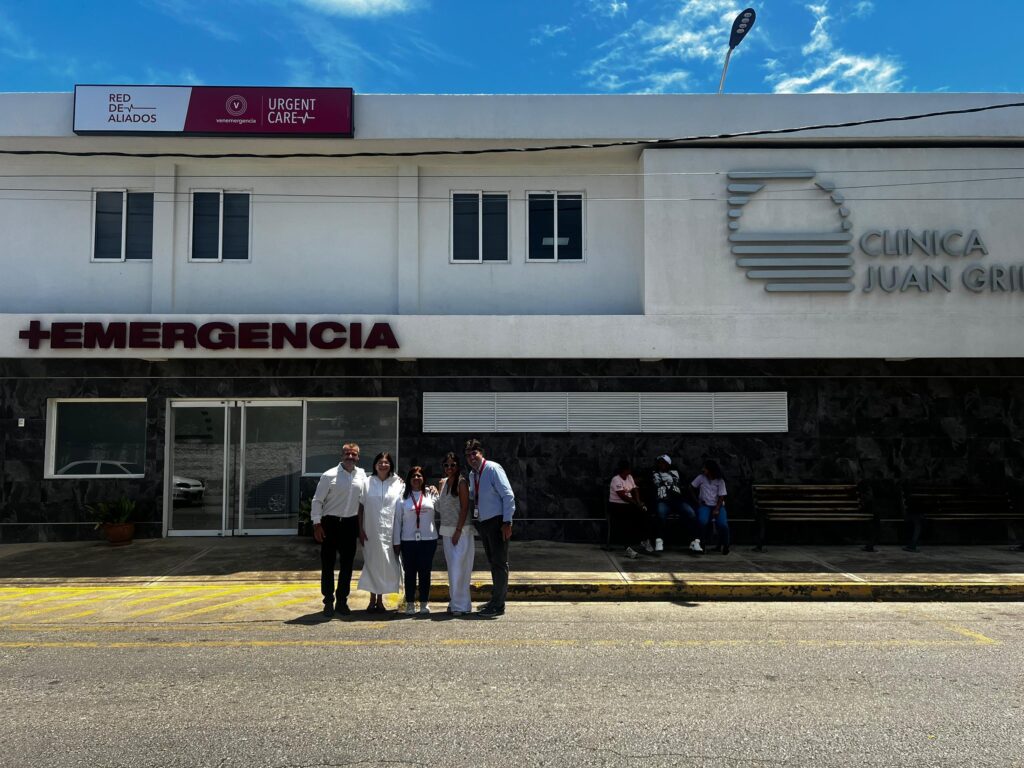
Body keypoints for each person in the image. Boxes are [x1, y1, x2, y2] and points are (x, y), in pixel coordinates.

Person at [311, 442, 367, 617]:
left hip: (350, 525)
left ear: (358, 457)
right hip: (330, 524)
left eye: (353, 454)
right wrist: (317, 524)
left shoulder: (362, 475)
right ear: (341, 456)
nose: (350, 457)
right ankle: (328, 601)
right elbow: (317, 501)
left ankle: (342, 601)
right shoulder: (329, 475)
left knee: (347, 565)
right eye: (347, 454)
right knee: (327, 564)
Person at [465, 438, 515, 617]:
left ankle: (498, 605)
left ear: (481, 453)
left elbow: (508, 495)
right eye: (468, 455)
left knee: (500, 563)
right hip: (484, 523)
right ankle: (495, 599)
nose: (472, 458)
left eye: (474, 453)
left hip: (498, 522)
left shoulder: (493, 469)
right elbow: (472, 495)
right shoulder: (473, 474)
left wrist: (507, 522)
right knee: (493, 562)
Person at [357, 451, 404, 613]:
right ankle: (372, 599)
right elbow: (360, 508)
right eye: (380, 462)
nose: (383, 465)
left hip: (390, 531)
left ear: (390, 465)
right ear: (375, 465)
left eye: (386, 462)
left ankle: (380, 599)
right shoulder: (367, 482)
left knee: (385, 565)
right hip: (370, 531)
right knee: (372, 564)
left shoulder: (398, 483)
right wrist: (360, 530)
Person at [394, 465, 439, 615]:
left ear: (424, 478)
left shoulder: (430, 493)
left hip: (428, 539)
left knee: (425, 572)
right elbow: (397, 521)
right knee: (410, 573)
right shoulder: (402, 497)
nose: (416, 478)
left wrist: (438, 489)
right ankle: (410, 604)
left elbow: (440, 507)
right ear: (409, 479)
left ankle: (424, 603)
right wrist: (397, 542)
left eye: (419, 476)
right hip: (408, 540)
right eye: (413, 476)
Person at [436, 451, 473, 616]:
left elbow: (465, 508)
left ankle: (462, 605)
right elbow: (440, 507)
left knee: (460, 569)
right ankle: (454, 602)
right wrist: (435, 491)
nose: (449, 468)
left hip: (461, 532)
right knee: (452, 570)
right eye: (446, 465)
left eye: (453, 465)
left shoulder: (462, 483)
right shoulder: (443, 483)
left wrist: (458, 530)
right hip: (446, 531)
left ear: (458, 466)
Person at [651, 454, 698, 552]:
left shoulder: (676, 472)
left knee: (691, 513)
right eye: (659, 463)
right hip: (663, 501)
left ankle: (694, 541)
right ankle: (659, 540)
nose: (661, 464)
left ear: (668, 464)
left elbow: (686, 485)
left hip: (678, 501)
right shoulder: (653, 473)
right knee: (660, 514)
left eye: (663, 463)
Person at [608, 460, 649, 558]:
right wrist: (636, 504)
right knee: (626, 522)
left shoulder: (629, 477)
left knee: (645, 512)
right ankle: (627, 548)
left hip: (629, 504)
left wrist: (639, 502)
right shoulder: (616, 479)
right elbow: (622, 496)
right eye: (628, 470)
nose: (630, 471)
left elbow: (635, 489)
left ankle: (644, 540)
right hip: (617, 506)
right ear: (624, 470)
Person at [691, 459, 730, 556]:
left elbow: (721, 496)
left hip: (718, 506)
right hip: (705, 505)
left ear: (710, 469)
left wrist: (716, 509)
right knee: (702, 521)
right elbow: (691, 487)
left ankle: (725, 545)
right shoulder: (701, 478)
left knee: (723, 524)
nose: (703, 469)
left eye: (705, 468)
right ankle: (701, 545)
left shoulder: (720, 481)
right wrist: (697, 501)